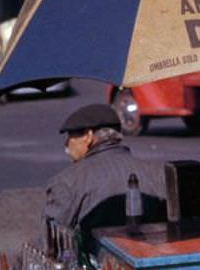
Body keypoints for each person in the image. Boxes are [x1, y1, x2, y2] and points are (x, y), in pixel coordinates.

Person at [44, 104, 166, 257]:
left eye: (70, 136)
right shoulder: (157, 172)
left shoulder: (67, 181)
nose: (66, 143)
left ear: (88, 136)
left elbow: (49, 242)